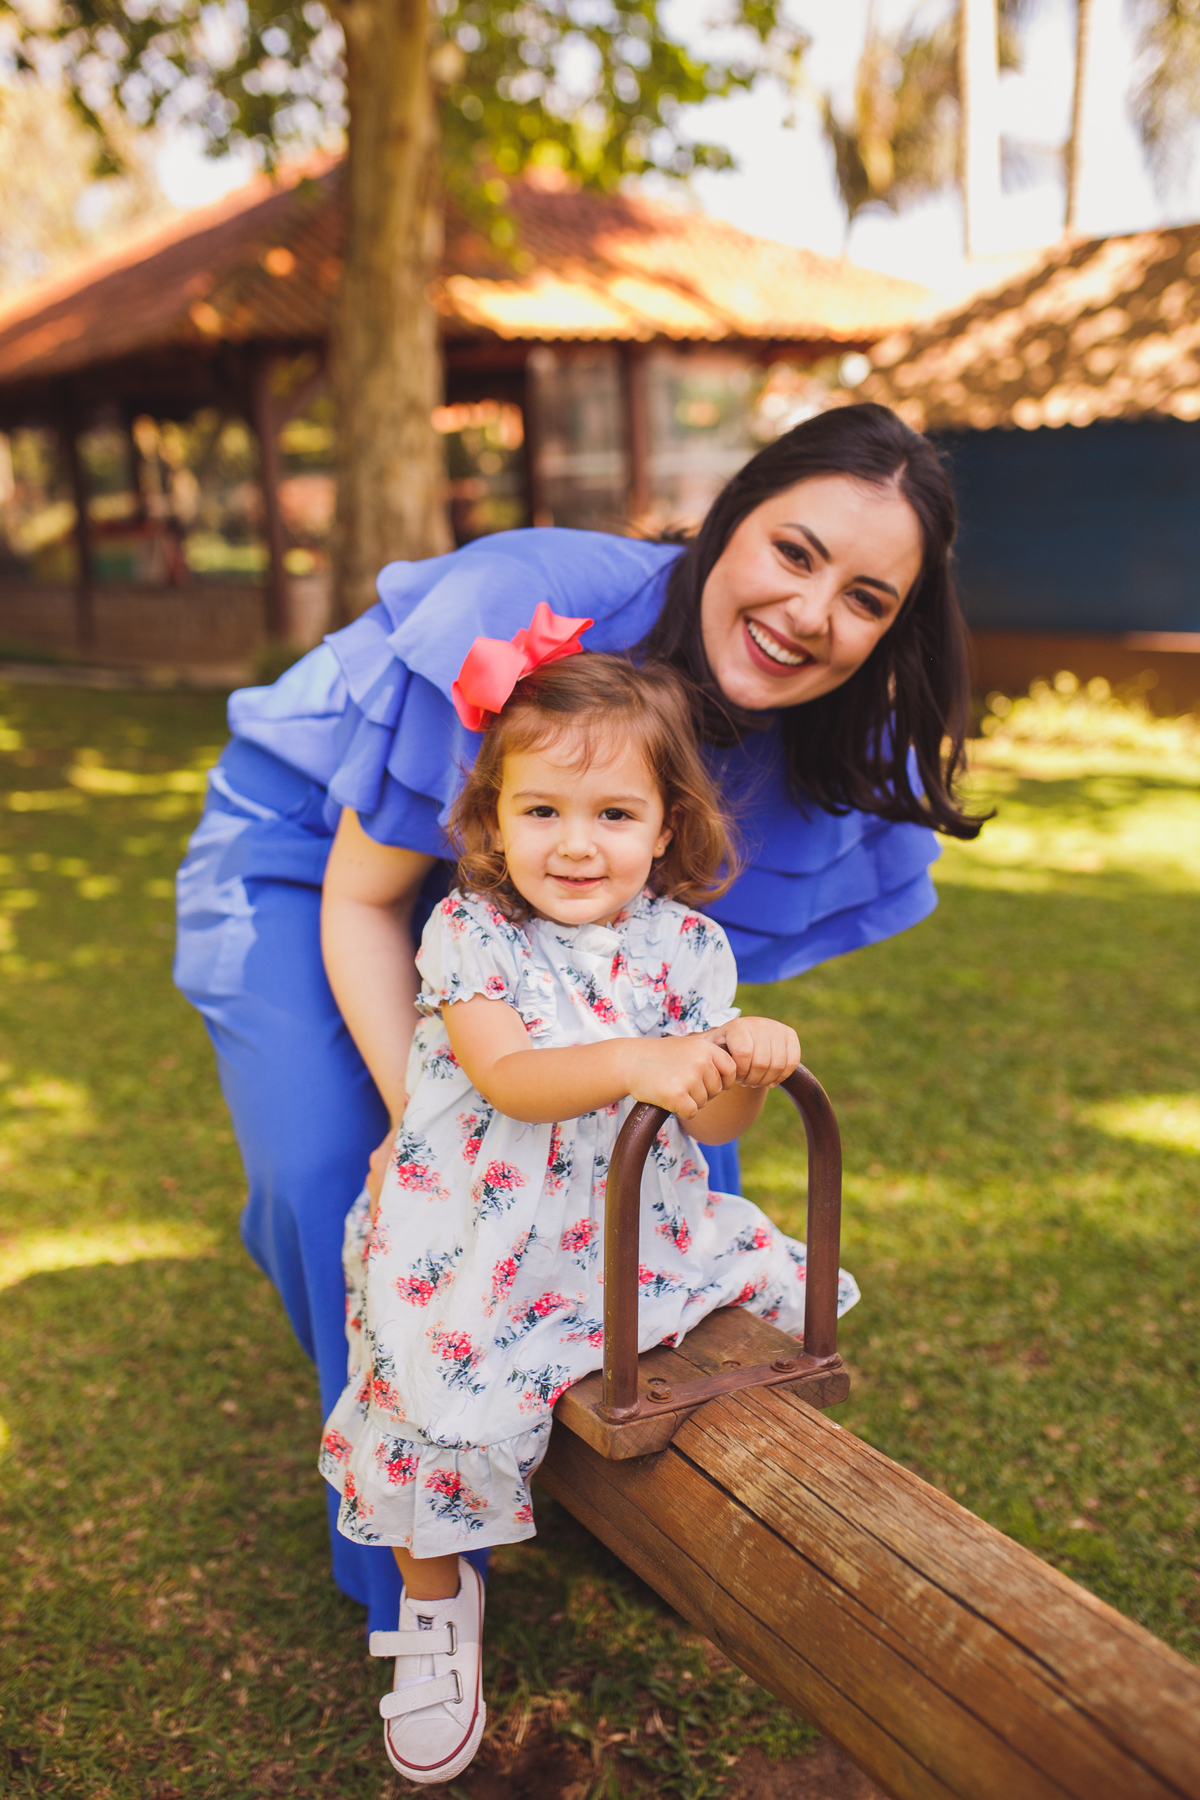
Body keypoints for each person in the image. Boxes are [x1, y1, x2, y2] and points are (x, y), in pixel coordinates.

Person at [174, 402, 983, 1635]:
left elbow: (663, 998)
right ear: (728, 524)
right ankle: (418, 1568)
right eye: (797, 553)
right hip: (323, 864)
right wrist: (440, 1138)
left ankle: (613, 1479)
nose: (815, 615)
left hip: (549, 913)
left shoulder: (826, 730)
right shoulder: (529, 604)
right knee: (344, 1175)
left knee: (670, 1169)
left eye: (869, 599)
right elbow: (367, 898)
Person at [317, 640, 860, 1784]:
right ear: (494, 819)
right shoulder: (473, 934)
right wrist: (642, 1059)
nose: (575, 842)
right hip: (472, 1227)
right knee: (430, 1390)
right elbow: (513, 1080)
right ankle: (432, 1607)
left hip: (614, 1233)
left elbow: (715, 1136)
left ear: (667, 826)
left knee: (711, 1324)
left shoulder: (690, 951)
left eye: (614, 812)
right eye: (543, 809)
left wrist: (746, 1066)